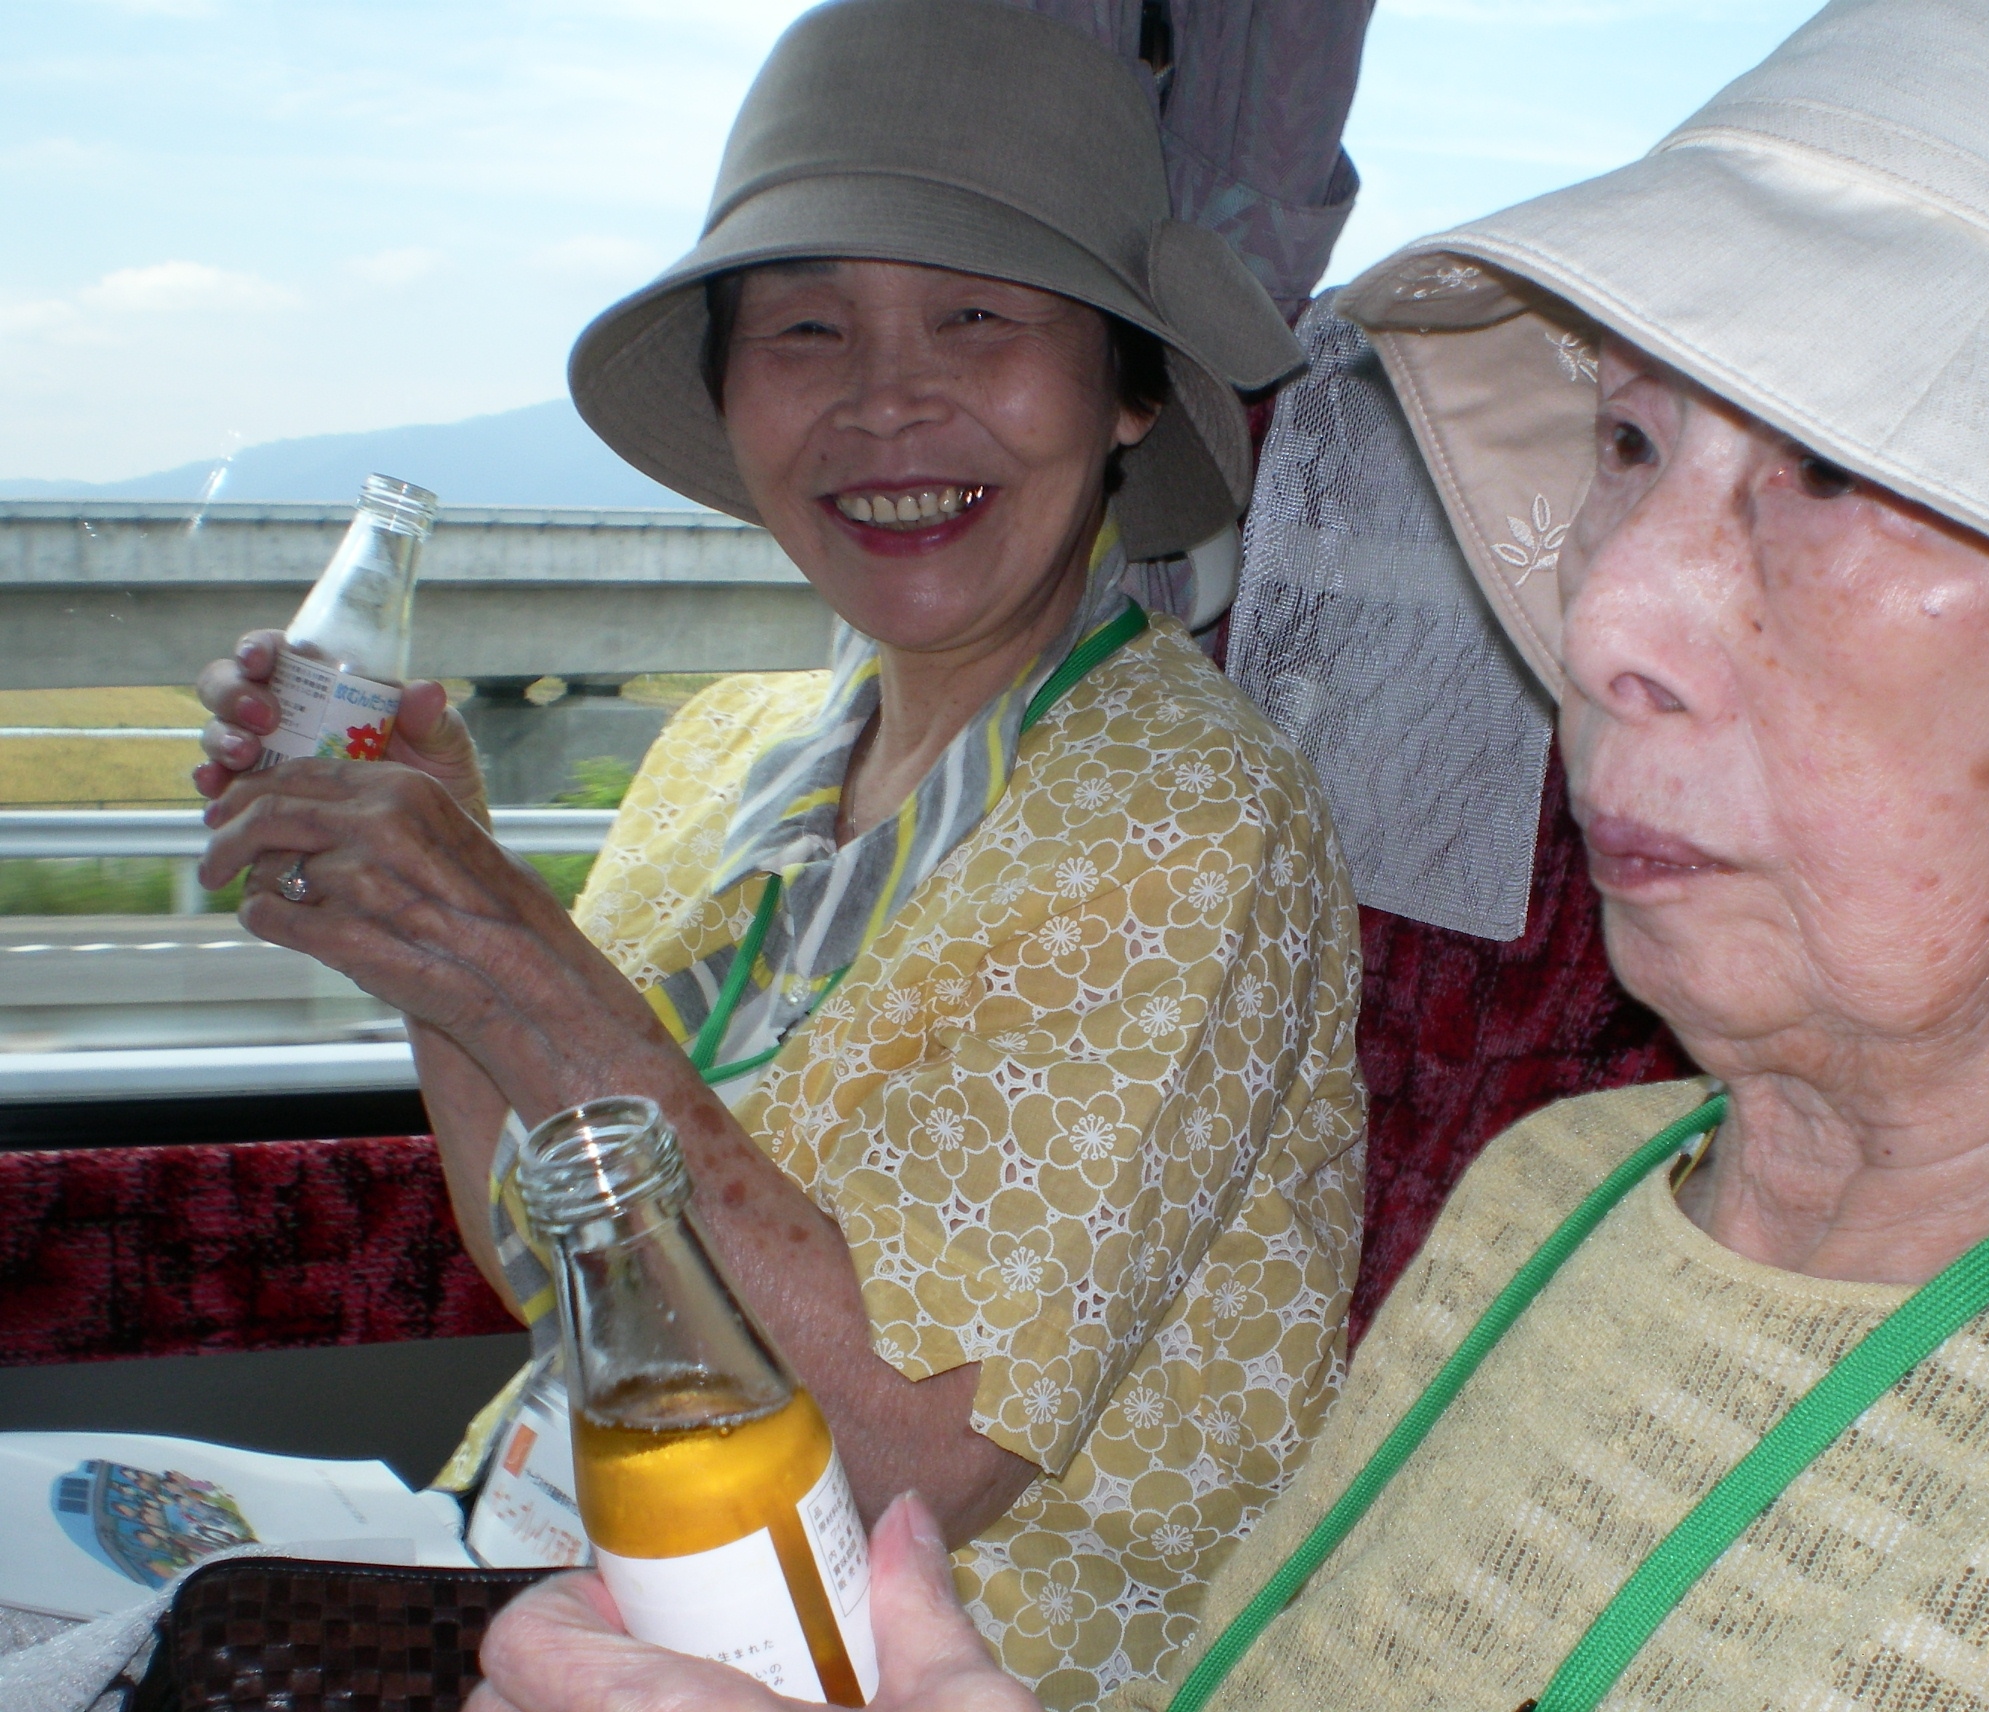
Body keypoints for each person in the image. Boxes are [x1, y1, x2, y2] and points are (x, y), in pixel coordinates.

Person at [464, 0, 1989, 1705]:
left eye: (1835, 471)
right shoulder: (1560, 1194)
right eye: (1629, 444)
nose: (1602, 614)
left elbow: (920, 1445)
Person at [191, 1, 1365, 1703]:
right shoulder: (724, 752)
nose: (888, 402)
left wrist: (506, 942)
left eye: (978, 316)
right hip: (563, 1583)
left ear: (1124, 391)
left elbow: (902, 1463)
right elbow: (556, 1265)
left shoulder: (1190, 817)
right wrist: (430, 927)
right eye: (807, 329)